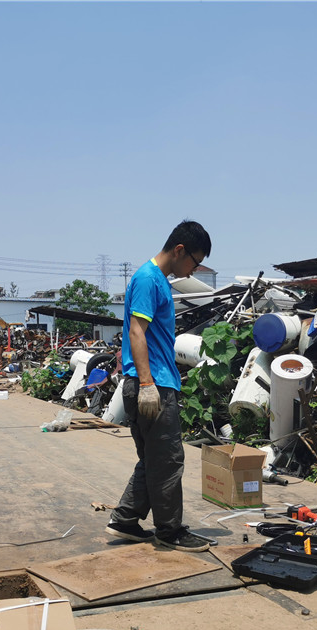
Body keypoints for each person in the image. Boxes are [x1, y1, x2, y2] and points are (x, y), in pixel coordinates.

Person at [106, 220, 212, 552]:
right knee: (168, 460)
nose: (193, 270)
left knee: (154, 460)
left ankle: (125, 520)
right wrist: (148, 384)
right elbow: (136, 332)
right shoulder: (148, 279)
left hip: (155, 381)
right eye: (194, 262)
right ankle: (170, 530)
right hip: (152, 383)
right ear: (180, 250)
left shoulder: (159, 282)